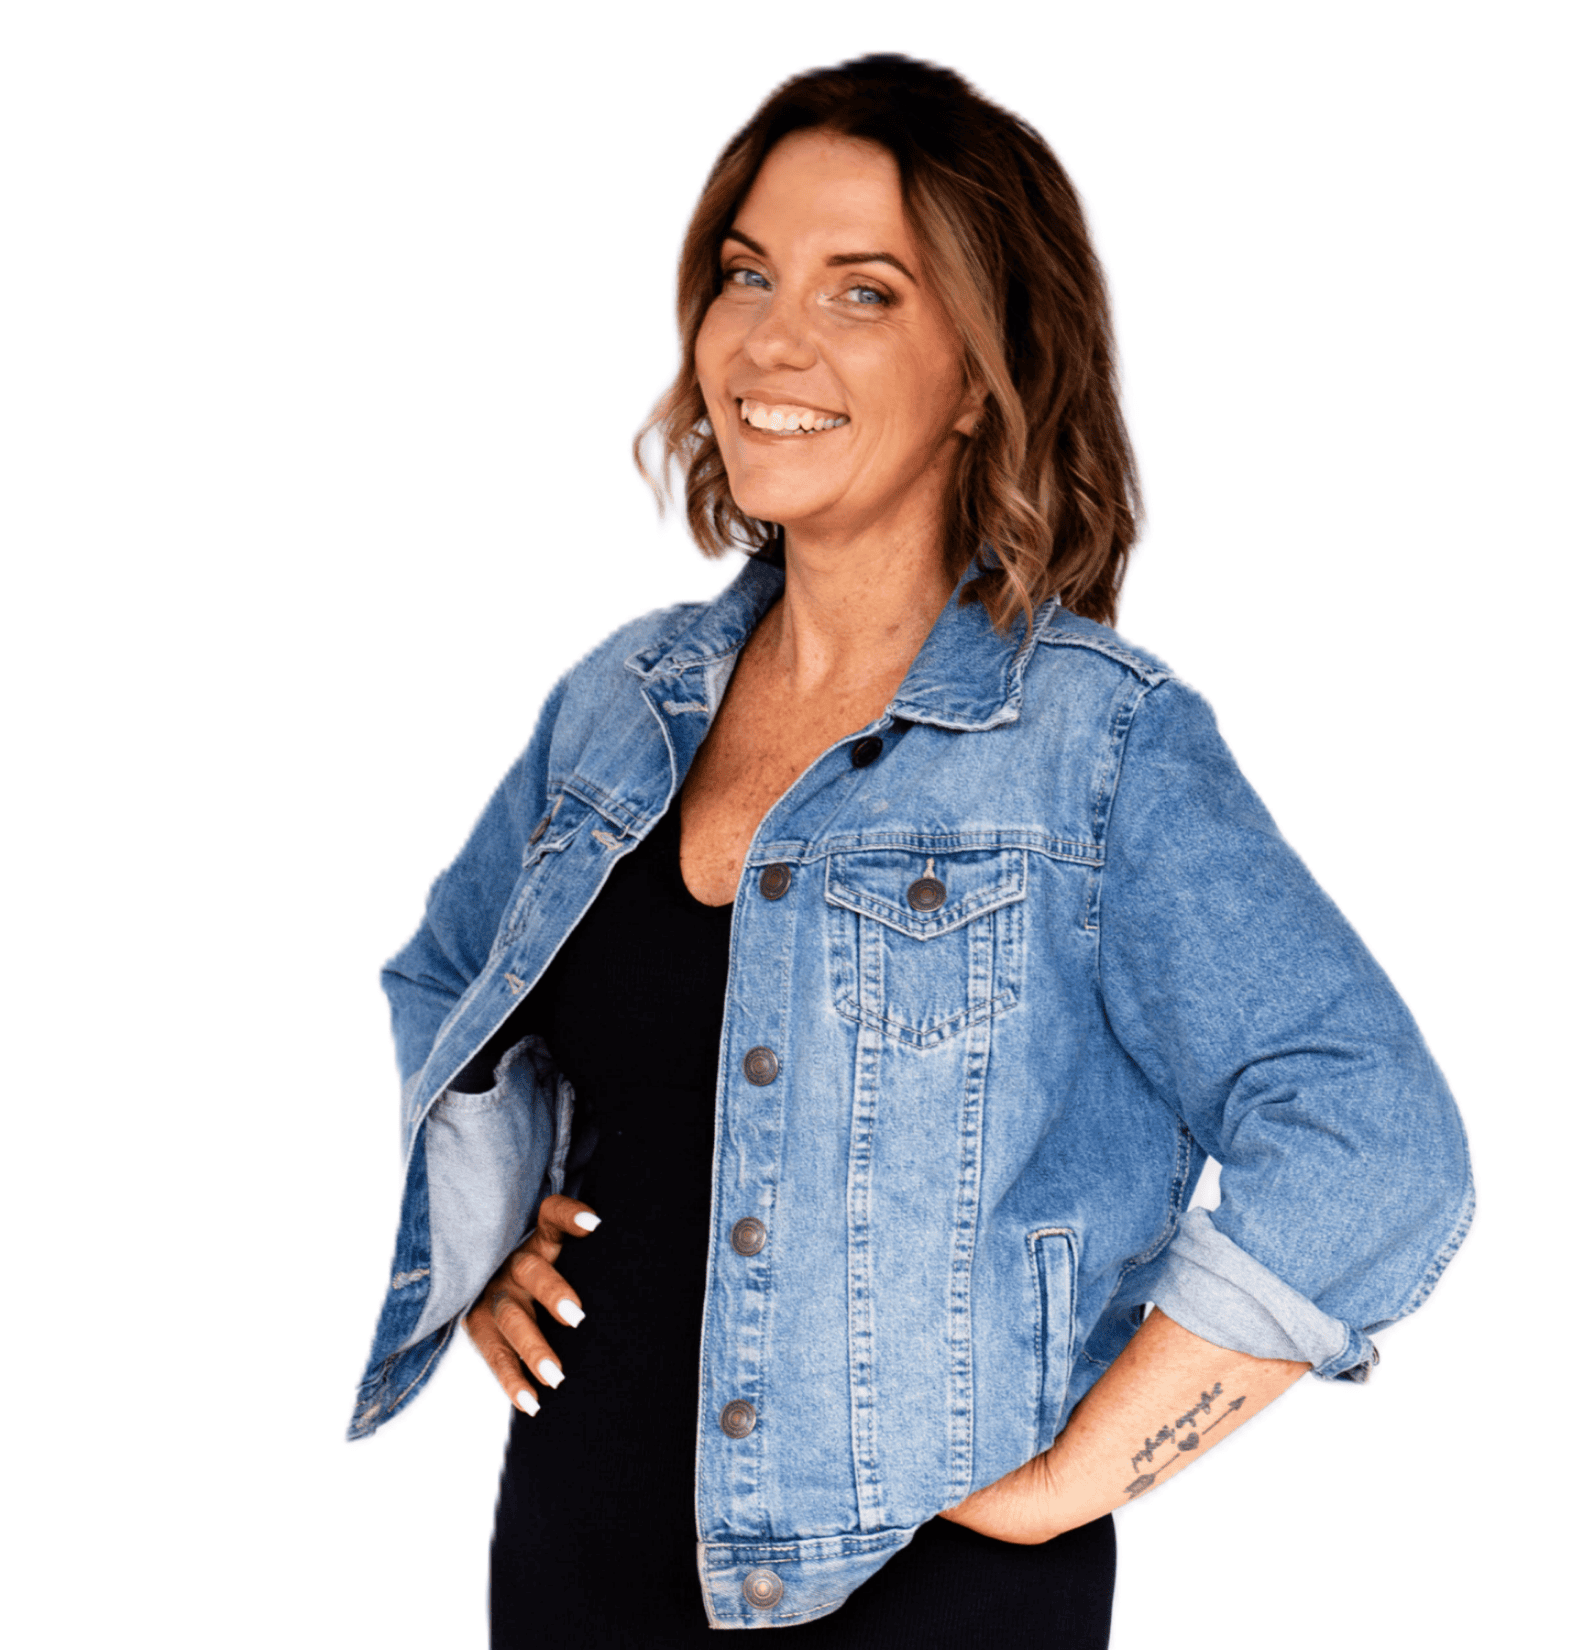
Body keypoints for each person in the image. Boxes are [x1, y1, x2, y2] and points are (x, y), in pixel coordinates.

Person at [348, 55, 1474, 1645]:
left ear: (978, 375)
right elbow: (448, 981)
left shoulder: (1094, 745)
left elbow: (1376, 1143)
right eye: (746, 274)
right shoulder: (620, 705)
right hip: (568, 1571)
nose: (768, 340)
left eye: (861, 292)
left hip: (923, 1602)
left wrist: (1069, 1479)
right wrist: (487, 1247)